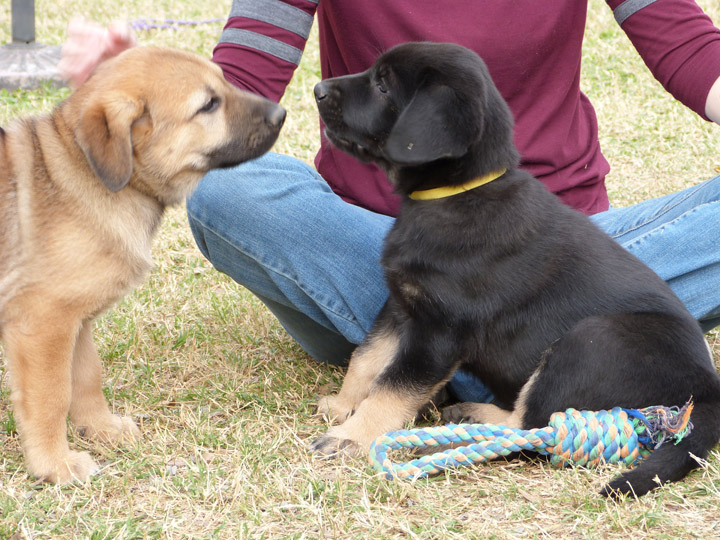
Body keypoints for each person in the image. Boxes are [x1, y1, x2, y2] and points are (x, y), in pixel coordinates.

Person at [61, 2, 720, 403]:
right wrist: (157, 94)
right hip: (382, 249)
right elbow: (242, 87)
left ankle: (438, 355)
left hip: (556, 253)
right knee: (228, 190)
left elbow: (688, 47)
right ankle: (509, 354)